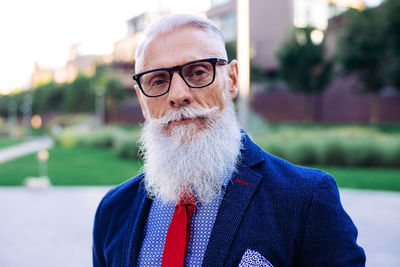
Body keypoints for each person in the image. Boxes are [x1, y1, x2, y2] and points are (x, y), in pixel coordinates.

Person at [92, 14, 365, 267]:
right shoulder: (114, 211)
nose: (177, 94)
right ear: (142, 100)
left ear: (232, 80)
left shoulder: (305, 199)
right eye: (157, 81)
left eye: (197, 72)